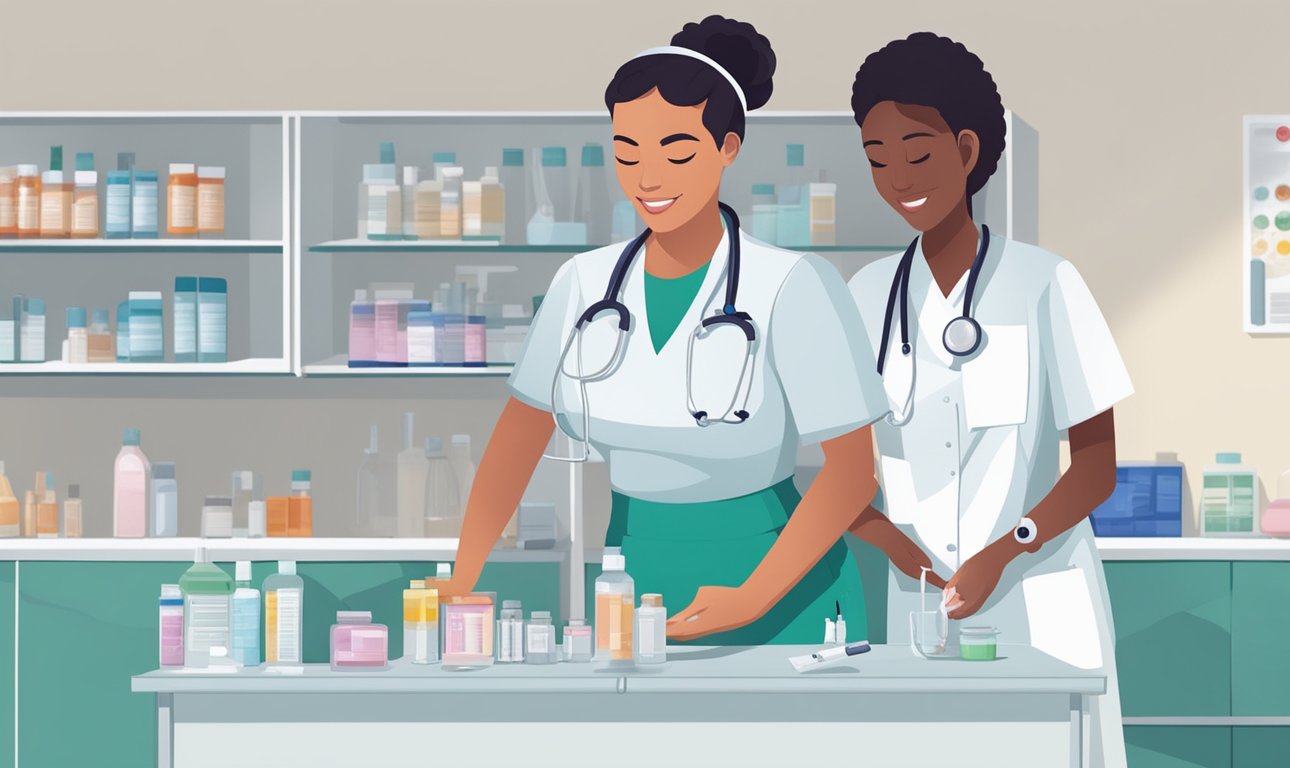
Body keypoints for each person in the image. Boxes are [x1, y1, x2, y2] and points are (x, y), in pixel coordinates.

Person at [440, 15, 887, 646]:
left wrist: (753, 596)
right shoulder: (583, 285)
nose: (648, 178)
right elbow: (515, 443)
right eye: (627, 153)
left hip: (781, 586)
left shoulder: (793, 284)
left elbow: (851, 472)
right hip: (634, 574)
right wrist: (461, 581)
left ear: (728, 147)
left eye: (676, 151)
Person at [844, 33, 1132, 766]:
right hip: (922, 603)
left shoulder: (1045, 283)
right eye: (877, 160)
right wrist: (898, 552)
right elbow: (838, 472)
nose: (898, 178)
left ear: (967, 151)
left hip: (1039, 595)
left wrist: (1005, 553)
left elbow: (1095, 466)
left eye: (918, 153)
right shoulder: (864, 296)